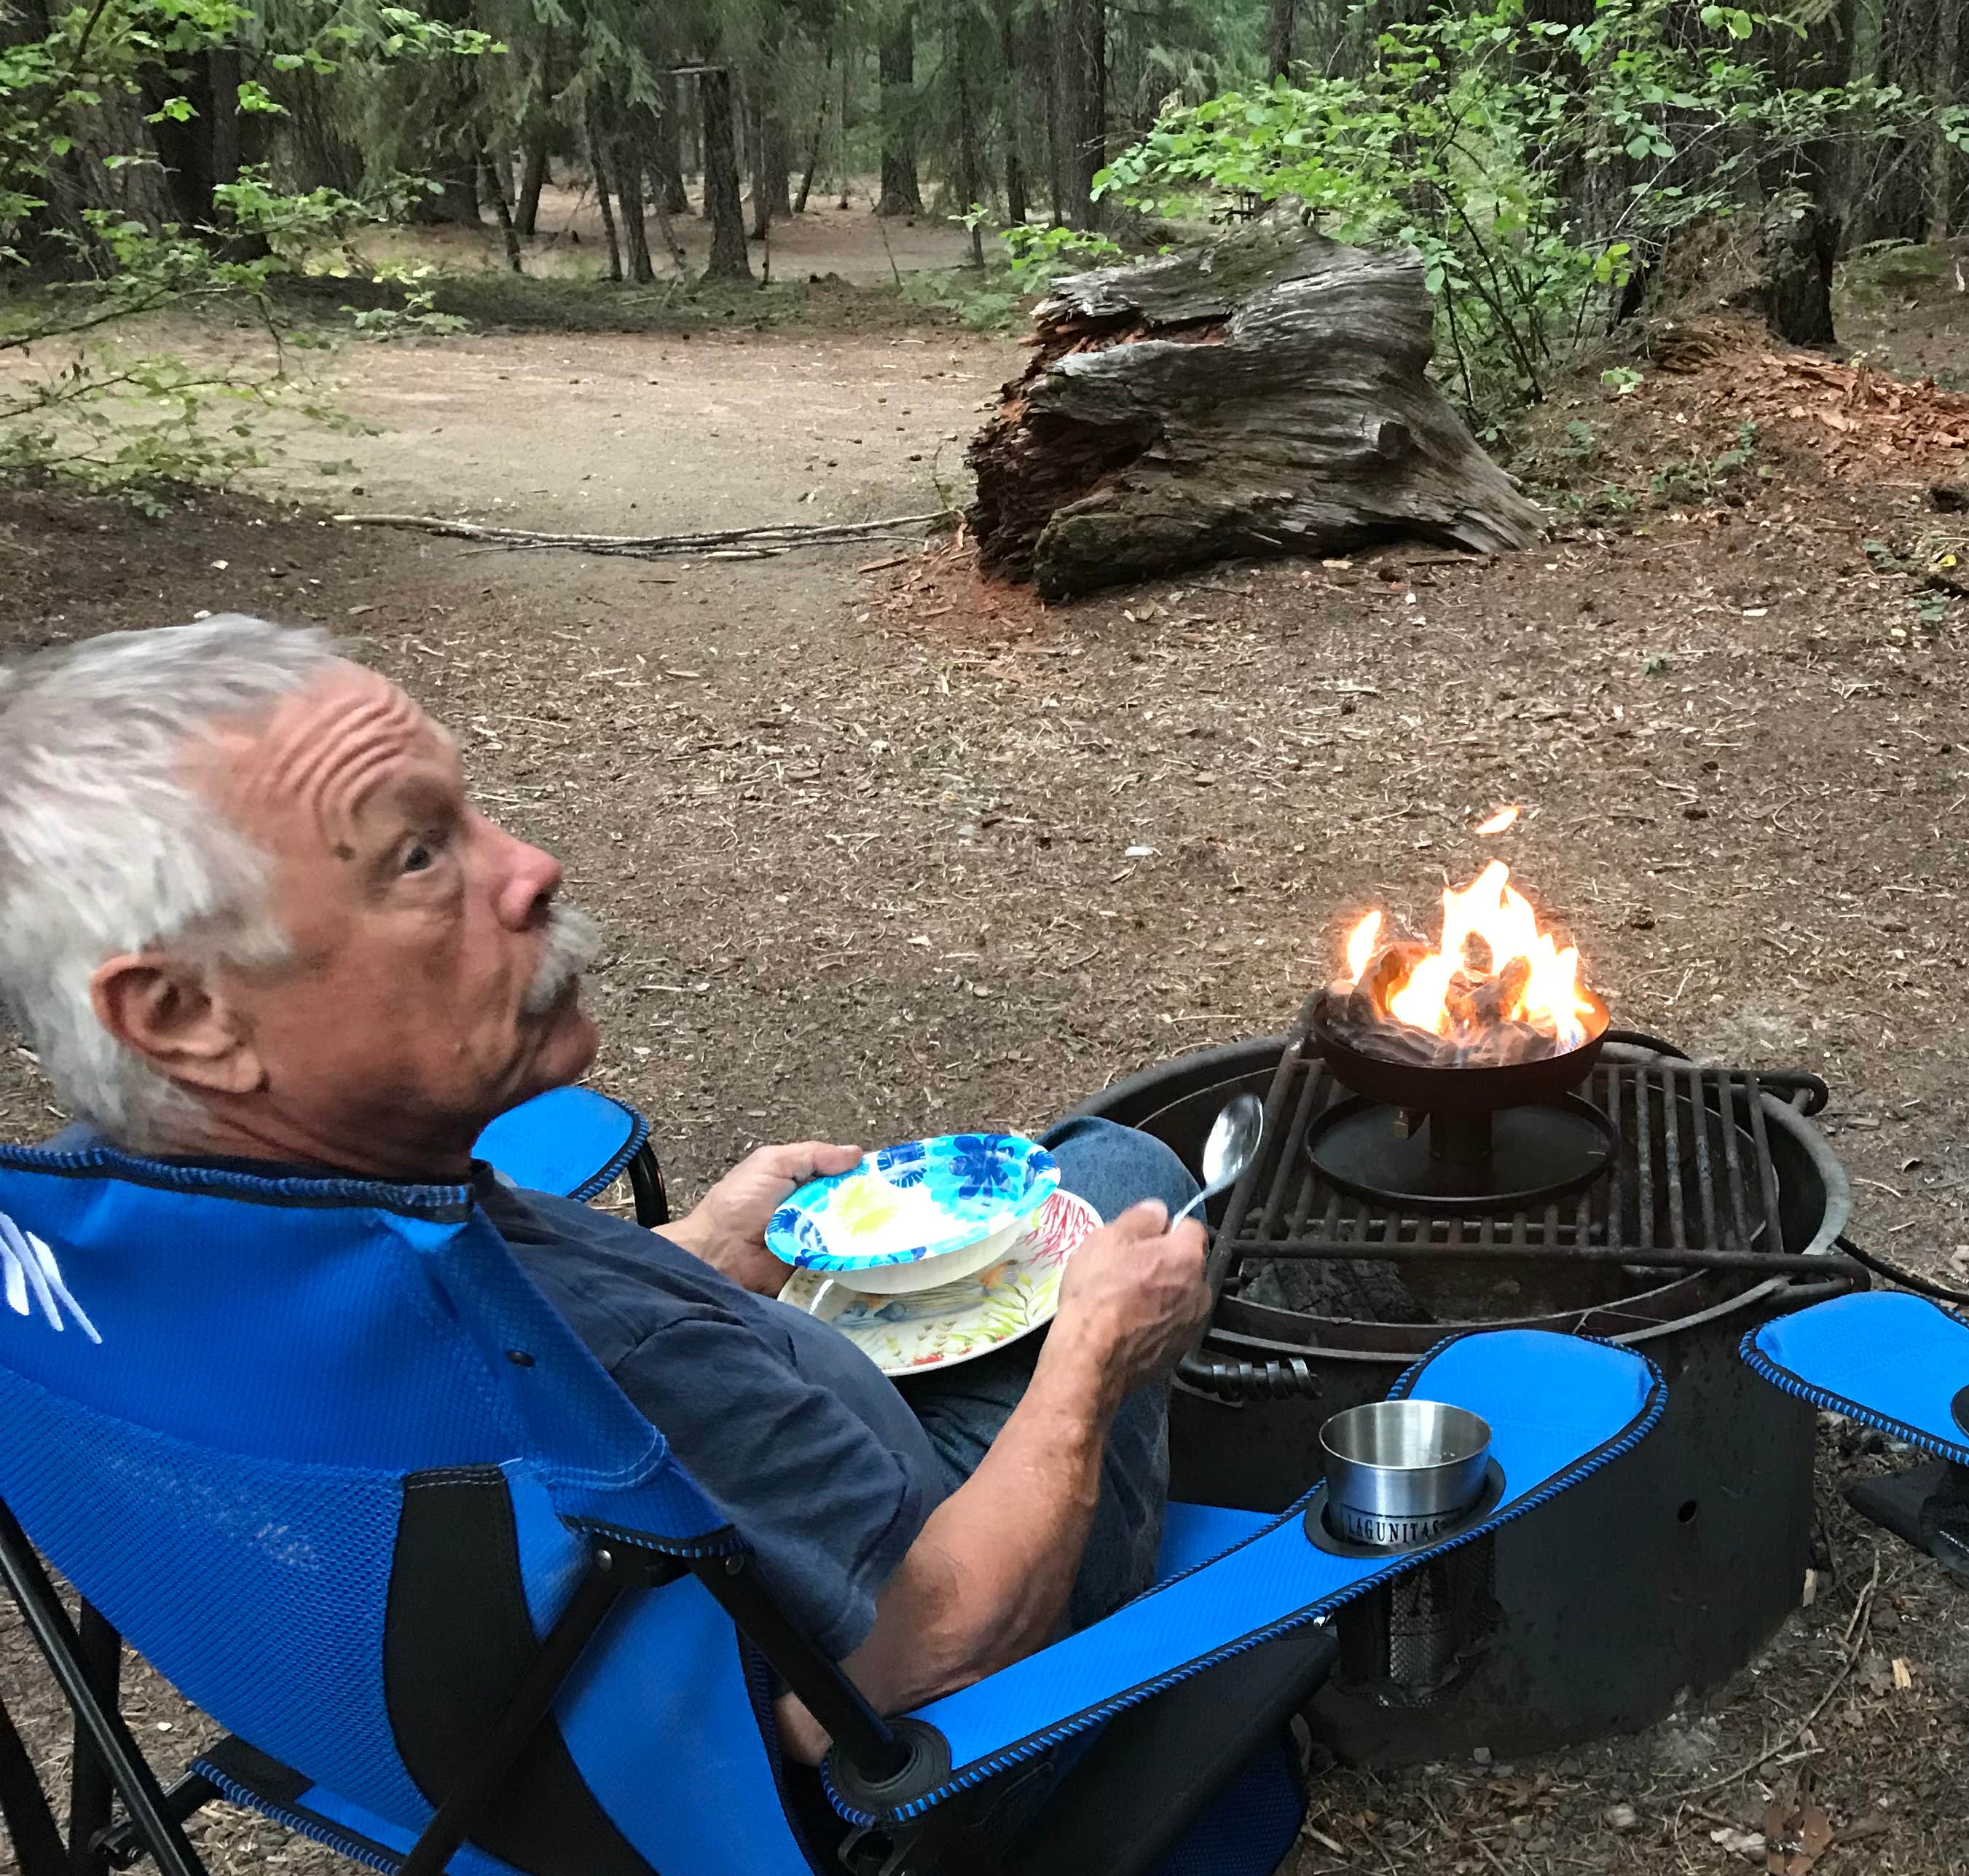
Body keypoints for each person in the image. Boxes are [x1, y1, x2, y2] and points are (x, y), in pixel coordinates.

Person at [0, 615, 1214, 1762]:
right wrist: (1092, 1367)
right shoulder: (633, 1358)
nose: (530, 867)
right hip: (940, 1666)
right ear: (185, 1015)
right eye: (419, 854)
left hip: (517, 1745)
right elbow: (921, 1660)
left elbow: (503, 1371)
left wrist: (691, 1249)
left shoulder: (120, 1263)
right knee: (1118, 1171)